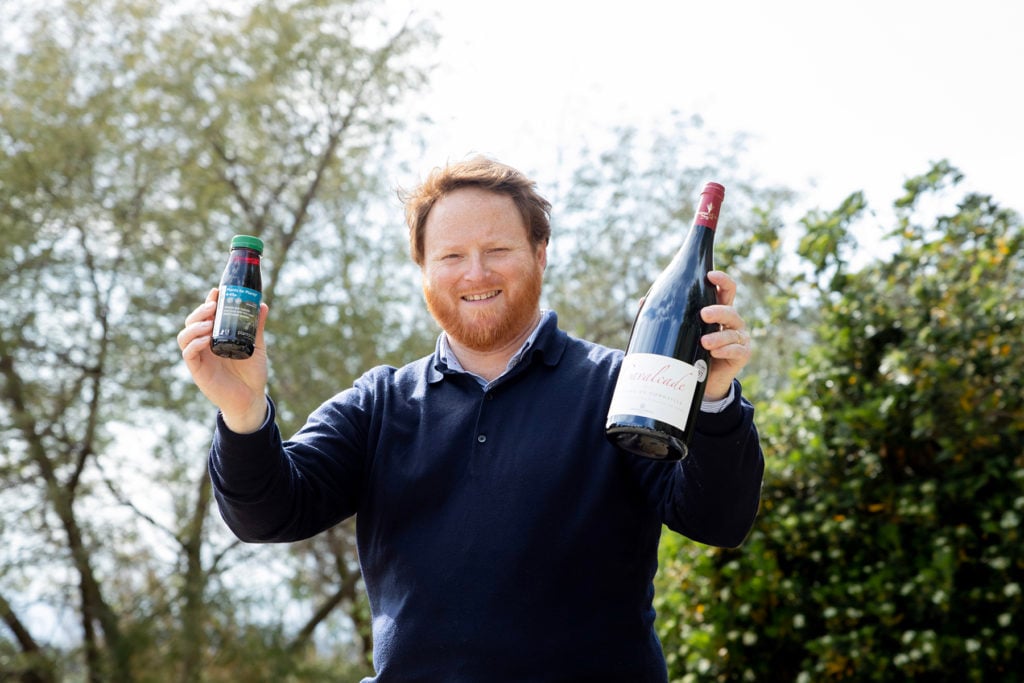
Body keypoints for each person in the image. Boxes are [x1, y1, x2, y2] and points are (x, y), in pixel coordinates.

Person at [177, 156, 764, 682]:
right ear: (424, 271)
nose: (475, 274)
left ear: (539, 254)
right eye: (451, 256)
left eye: (498, 251)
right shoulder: (380, 403)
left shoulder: (623, 385)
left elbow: (719, 519)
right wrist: (243, 408)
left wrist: (713, 397)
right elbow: (269, 513)